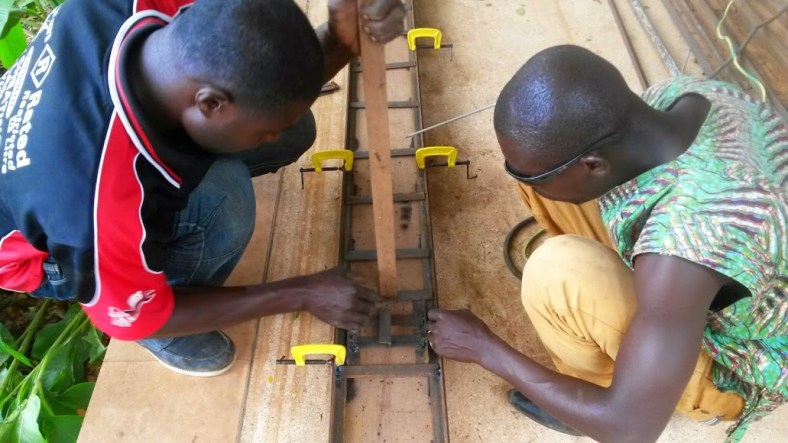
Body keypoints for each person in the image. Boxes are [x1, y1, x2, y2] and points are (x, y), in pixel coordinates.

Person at [0, 0, 404, 377]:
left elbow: (246, 36)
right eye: (262, 133)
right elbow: (126, 318)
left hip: (79, 151)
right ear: (210, 104)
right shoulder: (90, 210)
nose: (269, 138)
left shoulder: (139, 7)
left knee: (291, 124)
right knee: (223, 203)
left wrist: (339, 40)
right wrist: (303, 292)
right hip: (40, 252)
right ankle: (165, 322)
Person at [427, 45, 786, 442]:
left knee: (556, 274)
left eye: (534, 178)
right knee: (542, 171)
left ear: (594, 164)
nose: (525, 184)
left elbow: (630, 429)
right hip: (724, 255)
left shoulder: (683, 252)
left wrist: (483, 348)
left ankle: (586, 404)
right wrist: (535, 176)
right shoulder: (687, 95)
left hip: (745, 362)